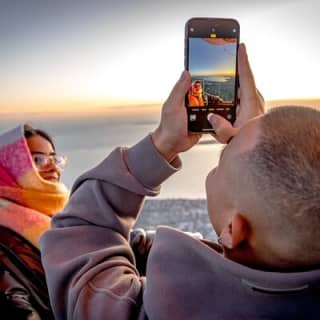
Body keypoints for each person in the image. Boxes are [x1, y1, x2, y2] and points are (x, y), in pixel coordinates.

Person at [40, 43, 320, 320]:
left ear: (233, 229)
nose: (226, 141)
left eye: (222, 158)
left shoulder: (139, 312)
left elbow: (83, 229)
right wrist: (260, 141)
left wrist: (162, 143)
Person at [0, 124, 69, 319]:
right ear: (8, 168)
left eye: (55, 159)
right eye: (38, 160)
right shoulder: (6, 233)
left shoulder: (58, 220)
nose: (54, 167)